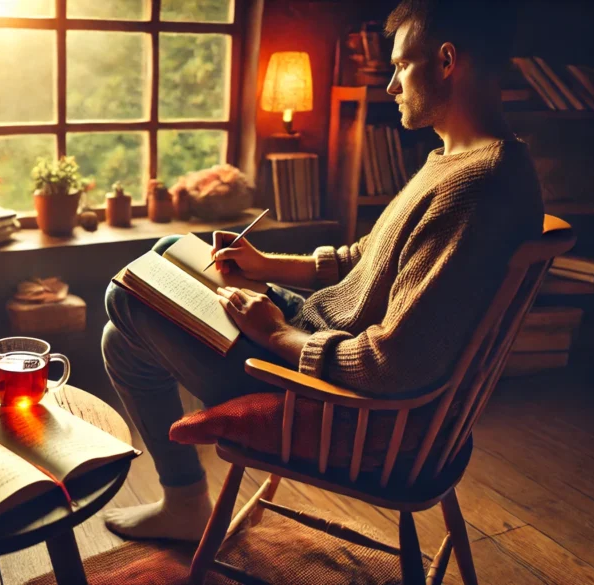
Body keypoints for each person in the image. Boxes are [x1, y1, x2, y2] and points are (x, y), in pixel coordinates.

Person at [101, 0, 543, 542]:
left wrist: (276, 333)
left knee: (123, 300)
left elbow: (389, 364)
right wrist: (263, 264)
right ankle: (187, 502)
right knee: (167, 253)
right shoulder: (458, 159)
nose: (392, 85)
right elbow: (368, 258)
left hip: (334, 394)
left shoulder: (477, 189)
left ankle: (186, 500)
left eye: (401, 66)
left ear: (447, 61)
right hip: (317, 332)